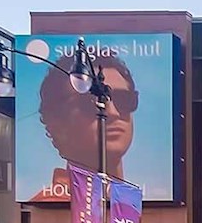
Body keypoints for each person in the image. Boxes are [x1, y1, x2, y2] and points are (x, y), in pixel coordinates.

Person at [32, 50, 138, 201]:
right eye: (90, 102)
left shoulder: (130, 205)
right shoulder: (52, 201)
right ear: (57, 122)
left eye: (124, 100)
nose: (113, 113)